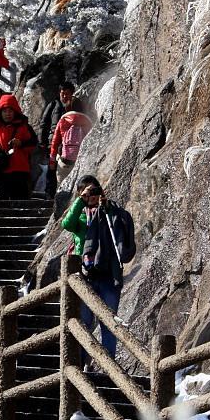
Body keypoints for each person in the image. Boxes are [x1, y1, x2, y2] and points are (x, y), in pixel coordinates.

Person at [79, 181, 136, 364]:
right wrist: (82, 200)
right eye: (91, 194)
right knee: (83, 323)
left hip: (110, 276)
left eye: (98, 193)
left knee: (109, 323)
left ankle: (109, 365)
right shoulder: (88, 216)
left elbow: (126, 249)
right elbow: (70, 225)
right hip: (90, 275)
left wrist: (108, 209)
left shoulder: (118, 215)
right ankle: (81, 362)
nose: (95, 197)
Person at [0, 93, 37, 199]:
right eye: (5, 111)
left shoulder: (24, 126)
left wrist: (21, 143)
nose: (8, 114)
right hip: (0, 170)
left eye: (10, 111)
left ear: (15, 111)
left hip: (19, 170)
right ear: (0, 112)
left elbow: (33, 143)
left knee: (21, 202)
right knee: (1, 201)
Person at [40, 81, 77, 195]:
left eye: (67, 94)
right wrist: (42, 142)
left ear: (72, 94)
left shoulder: (77, 105)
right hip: (53, 142)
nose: (64, 96)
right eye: (62, 93)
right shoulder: (53, 105)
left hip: (71, 143)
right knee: (52, 168)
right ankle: (49, 194)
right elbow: (44, 123)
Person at [49, 107, 92, 184]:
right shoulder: (88, 122)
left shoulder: (63, 120)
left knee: (61, 185)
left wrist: (52, 161)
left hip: (64, 160)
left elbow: (55, 141)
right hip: (81, 161)